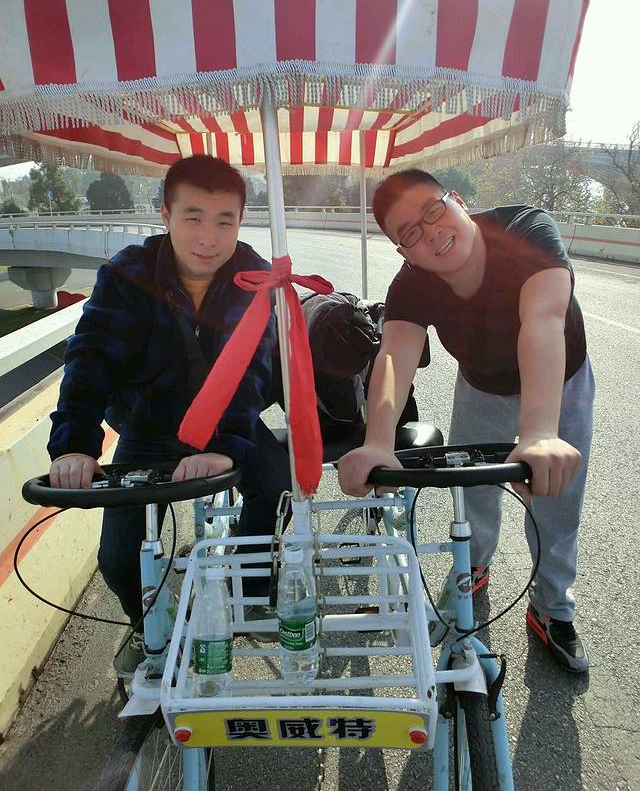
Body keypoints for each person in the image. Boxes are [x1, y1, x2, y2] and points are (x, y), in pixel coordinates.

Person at [338, 169, 593, 674]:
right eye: (410, 233)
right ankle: (472, 565)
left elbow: (543, 321)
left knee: (555, 498)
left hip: (559, 379)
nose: (431, 232)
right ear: (403, 252)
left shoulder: (525, 231)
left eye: (434, 211)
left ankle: (551, 608)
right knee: (472, 489)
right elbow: (394, 359)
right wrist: (378, 442)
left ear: (457, 199)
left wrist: (539, 432)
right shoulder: (412, 283)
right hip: (481, 384)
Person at [48, 155, 290, 674]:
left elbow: (251, 368)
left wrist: (224, 444)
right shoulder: (127, 276)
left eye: (224, 221)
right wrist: (74, 444)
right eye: (193, 217)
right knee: (119, 558)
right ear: (165, 215)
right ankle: (148, 624)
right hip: (150, 425)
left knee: (274, 485)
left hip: (229, 422)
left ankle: (246, 595)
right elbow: (90, 359)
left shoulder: (254, 278)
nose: (208, 238)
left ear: (240, 221)